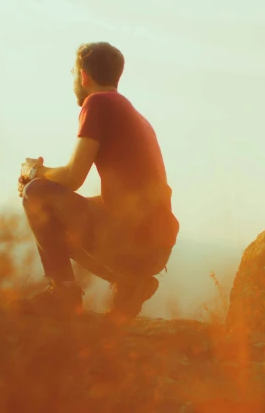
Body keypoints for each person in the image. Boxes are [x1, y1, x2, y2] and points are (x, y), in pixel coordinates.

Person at [19, 42, 179, 321]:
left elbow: (72, 178)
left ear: (83, 76)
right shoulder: (133, 113)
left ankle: (63, 294)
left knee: (36, 194)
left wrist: (36, 173)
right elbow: (119, 201)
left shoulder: (98, 103)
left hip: (132, 242)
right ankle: (130, 284)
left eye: (72, 73)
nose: (73, 81)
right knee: (52, 217)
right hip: (155, 247)